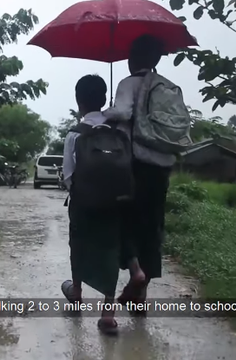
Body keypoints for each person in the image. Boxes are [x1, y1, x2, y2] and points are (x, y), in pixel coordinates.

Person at [103, 34, 175, 314]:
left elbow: (122, 112)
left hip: (133, 165)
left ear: (133, 59)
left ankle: (135, 272)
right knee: (151, 227)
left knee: (123, 220)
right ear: (156, 59)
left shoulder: (128, 84)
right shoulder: (167, 87)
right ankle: (141, 299)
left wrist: (107, 111)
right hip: (162, 168)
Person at [61, 74, 136, 335]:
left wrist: (84, 195)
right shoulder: (120, 131)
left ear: (78, 101)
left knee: (79, 244)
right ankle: (107, 315)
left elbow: (68, 176)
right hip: (115, 203)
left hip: (83, 204)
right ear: (105, 99)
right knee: (110, 251)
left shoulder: (74, 134)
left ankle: (77, 292)